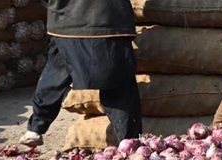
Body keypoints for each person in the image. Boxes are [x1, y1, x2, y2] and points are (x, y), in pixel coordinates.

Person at [20, 0, 141, 147]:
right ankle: (128, 141)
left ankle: (35, 129)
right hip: (108, 23)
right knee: (118, 87)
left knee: (55, 76)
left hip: (65, 24)